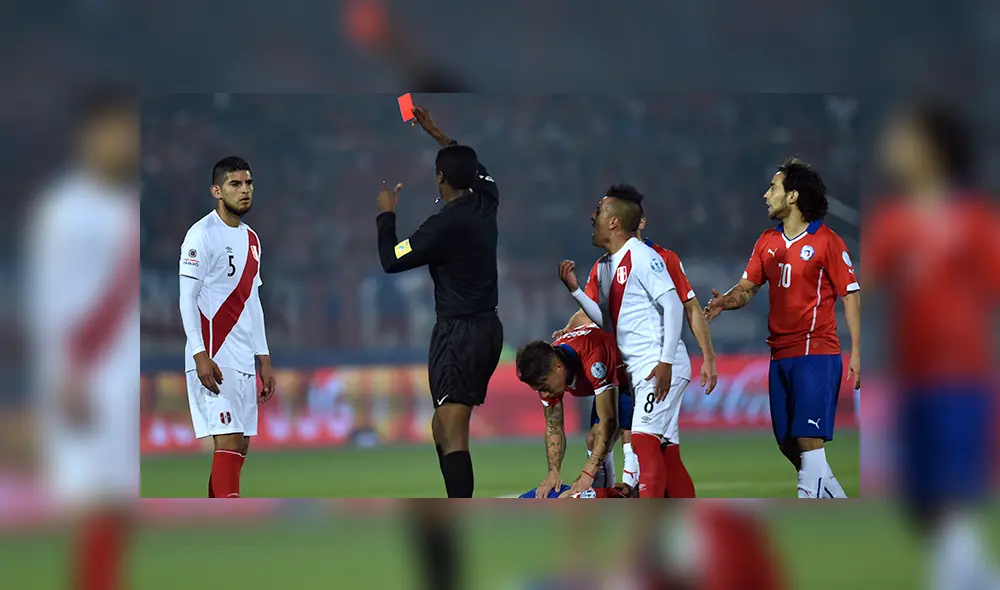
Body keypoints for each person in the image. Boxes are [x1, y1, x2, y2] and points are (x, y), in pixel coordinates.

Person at [867, 102, 1000, 588]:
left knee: (951, 493)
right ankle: (980, 576)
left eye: (905, 137)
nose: (894, 147)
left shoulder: (974, 219)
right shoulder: (892, 221)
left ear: (933, 150)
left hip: (961, 376)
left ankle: (958, 578)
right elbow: (867, 283)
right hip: (913, 377)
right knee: (921, 501)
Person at [26, 87, 139, 590]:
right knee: (97, 504)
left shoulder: (124, 205)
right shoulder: (67, 209)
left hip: (121, 375)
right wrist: (67, 375)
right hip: (86, 377)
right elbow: (53, 298)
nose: (125, 140)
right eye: (116, 130)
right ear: (89, 135)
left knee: (120, 511)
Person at [704, 158, 858, 499]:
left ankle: (806, 514)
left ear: (792, 196)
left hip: (815, 351)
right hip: (780, 353)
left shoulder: (826, 242)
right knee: (789, 442)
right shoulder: (767, 242)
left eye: (773, 188)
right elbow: (746, 288)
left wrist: (858, 352)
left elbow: (851, 295)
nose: (765, 195)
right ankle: (836, 500)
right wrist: (724, 302)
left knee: (808, 440)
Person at [376, 105, 503, 498]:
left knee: (451, 427)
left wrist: (386, 217)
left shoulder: (443, 226)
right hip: (486, 329)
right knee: (441, 427)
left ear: (440, 179)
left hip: (459, 334)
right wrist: (436, 133)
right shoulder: (486, 202)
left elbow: (391, 260)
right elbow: (473, 166)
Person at [554, 212, 718, 498]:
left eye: (605, 215)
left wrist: (707, 355)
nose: (598, 221)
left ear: (632, 221)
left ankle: (634, 504)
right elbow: (597, 315)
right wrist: (568, 327)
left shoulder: (659, 258)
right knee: (661, 447)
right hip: (623, 367)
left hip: (652, 363)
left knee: (641, 440)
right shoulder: (604, 267)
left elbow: (687, 306)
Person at [178, 156, 276, 499]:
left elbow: (252, 301)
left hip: (242, 354)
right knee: (230, 441)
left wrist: (263, 356)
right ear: (217, 191)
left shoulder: (252, 239)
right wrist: (199, 354)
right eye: (235, 184)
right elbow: (186, 298)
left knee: (240, 447)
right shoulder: (201, 235)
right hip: (214, 354)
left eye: (248, 183)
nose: (244, 190)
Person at [515, 323, 634, 498]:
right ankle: (601, 496)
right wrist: (553, 472)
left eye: (544, 387)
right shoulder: (549, 366)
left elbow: (609, 420)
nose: (544, 393)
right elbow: (553, 426)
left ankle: (633, 488)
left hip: (633, 375)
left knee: (631, 435)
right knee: (594, 440)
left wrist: (588, 471)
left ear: (558, 367)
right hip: (613, 381)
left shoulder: (593, 358)